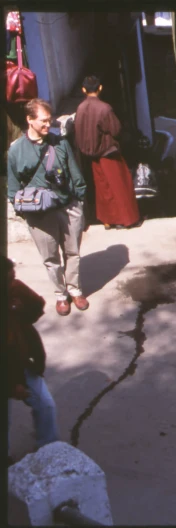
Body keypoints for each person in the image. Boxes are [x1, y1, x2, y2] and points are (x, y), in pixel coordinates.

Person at [6, 98, 89, 316]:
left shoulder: (60, 143)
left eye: (49, 120)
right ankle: (61, 295)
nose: (47, 124)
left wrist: (79, 200)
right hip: (39, 214)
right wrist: (23, 211)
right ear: (29, 120)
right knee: (51, 259)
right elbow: (13, 188)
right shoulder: (16, 151)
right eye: (43, 121)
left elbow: (76, 174)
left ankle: (75, 290)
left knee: (73, 252)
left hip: (67, 206)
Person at [5, 257, 60, 465]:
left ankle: (49, 448)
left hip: (22, 361)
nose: (13, 284)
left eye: (13, 278)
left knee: (46, 406)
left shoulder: (14, 289)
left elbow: (37, 307)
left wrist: (22, 307)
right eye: (7, 280)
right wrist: (13, 386)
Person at [74, 74, 141, 230]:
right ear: (100, 88)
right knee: (120, 186)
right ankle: (126, 219)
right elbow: (116, 130)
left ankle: (107, 220)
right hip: (108, 153)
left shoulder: (80, 108)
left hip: (91, 156)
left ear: (83, 90)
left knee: (103, 188)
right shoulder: (104, 108)